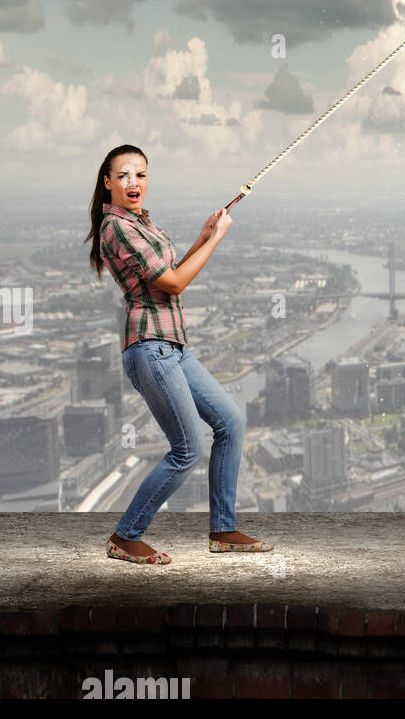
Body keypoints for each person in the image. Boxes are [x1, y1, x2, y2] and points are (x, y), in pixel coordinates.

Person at [86, 144, 272, 565]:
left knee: (231, 421)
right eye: (125, 175)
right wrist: (218, 240)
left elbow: (169, 273)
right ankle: (125, 536)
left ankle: (223, 530)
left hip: (173, 345)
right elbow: (174, 285)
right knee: (187, 448)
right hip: (150, 348)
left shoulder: (140, 222)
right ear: (108, 182)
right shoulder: (117, 228)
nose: (135, 183)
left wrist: (203, 236)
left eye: (142, 175)